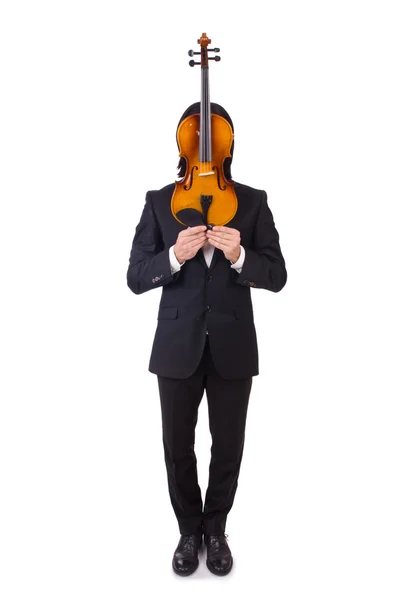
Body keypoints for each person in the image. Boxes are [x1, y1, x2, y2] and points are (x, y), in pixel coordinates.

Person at [126, 102, 287, 576]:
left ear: (228, 148)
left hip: (234, 344)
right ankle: (187, 529)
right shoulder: (160, 201)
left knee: (228, 444)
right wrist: (173, 256)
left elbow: (277, 275)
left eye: (214, 145)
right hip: (177, 344)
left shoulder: (253, 201)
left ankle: (216, 529)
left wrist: (241, 257)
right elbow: (135, 276)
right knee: (177, 445)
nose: (204, 155)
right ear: (181, 147)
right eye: (194, 144)